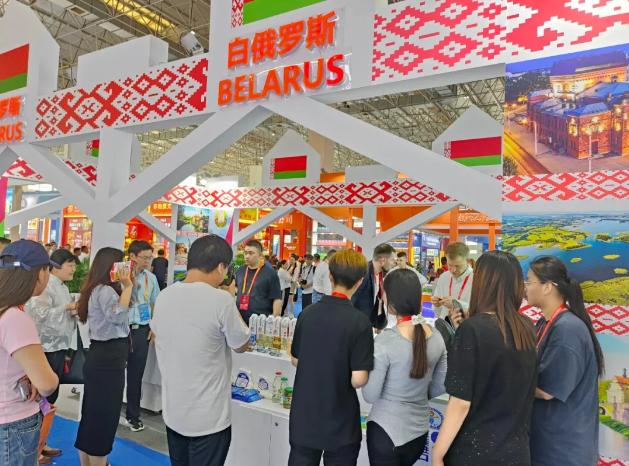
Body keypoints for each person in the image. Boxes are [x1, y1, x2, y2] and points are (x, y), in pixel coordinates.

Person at [151, 235, 250, 466]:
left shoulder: (165, 296)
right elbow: (241, 344)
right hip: (209, 418)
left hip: (174, 411)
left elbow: (157, 336)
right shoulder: (221, 300)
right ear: (221, 267)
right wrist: (231, 297)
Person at [432, 251, 537, 466]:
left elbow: (460, 403)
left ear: (483, 283)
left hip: (476, 451)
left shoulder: (474, 329)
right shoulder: (526, 326)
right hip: (517, 450)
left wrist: (438, 452)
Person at [289, 249, 374, 466]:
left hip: (305, 414)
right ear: (360, 281)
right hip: (340, 419)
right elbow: (359, 379)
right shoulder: (360, 322)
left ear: (330, 275)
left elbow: (296, 359)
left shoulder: (307, 314)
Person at [363, 269, 447, 466]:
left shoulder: (385, 341)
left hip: (386, 431)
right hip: (419, 432)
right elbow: (440, 386)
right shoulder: (436, 336)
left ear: (391, 300)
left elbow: (370, 395)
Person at [526, 256, 603, 466]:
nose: (525, 287)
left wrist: (504, 382)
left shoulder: (567, 329)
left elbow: (546, 389)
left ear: (547, 287)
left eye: (529, 281)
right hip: (548, 443)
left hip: (562, 451)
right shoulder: (545, 322)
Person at [0, 240, 59, 466]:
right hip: (12, 423)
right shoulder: (14, 318)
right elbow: (47, 384)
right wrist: (38, 376)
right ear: (39, 273)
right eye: (47, 269)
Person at [75, 248, 134, 466]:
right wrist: (128, 287)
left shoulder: (94, 288)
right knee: (104, 417)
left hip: (100, 357)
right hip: (108, 360)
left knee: (92, 414)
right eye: (121, 264)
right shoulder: (106, 291)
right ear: (111, 267)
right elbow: (117, 316)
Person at [26, 249, 79, 461]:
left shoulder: (63, 287)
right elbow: (39, 315)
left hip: (58, 347)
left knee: (50, 398)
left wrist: (72, 310)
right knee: (41, 397)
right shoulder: (46, 286)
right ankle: (34, 447)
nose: (73, 269)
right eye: (70, 265)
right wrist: (67, 308)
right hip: (46, 348)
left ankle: (40, 442)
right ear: (55, 267)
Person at [124, 240, 160, 433]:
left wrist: (154, 326)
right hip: (122, 330)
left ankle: (133, 416)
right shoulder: (121, 275)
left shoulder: (151, 278)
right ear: (132, 256)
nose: (147, 261)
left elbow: (155, 303)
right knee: (115, 374)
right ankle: (111, 412)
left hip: (142, 331)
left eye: (149, 258)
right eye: (144, 257)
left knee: (136, 376)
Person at [235, 239, 282, 324]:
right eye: (245, 253)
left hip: (261, 322)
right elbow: (236, 289)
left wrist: (273, 321)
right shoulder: (240, 270)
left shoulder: (270, 273)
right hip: (240, 321)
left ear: (260, 255)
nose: (247, 256)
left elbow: (277, 299)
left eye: (251, 253)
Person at [351, 243, 396, 328]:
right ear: (382, 260)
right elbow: (351, 301)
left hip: (367, 324)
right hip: (357, 325)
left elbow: (376, 300)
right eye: (392, 260)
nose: (394, 263)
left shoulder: (379, 274)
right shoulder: (364, 274)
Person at [431, 242, 473, 324]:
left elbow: (480, 311)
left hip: (466, 327)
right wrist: (437, 305)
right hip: (445, 326)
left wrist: (456, 304)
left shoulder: (477, 279)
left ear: (467, 261)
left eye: (457, 266)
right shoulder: (444, 277)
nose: (453, 270)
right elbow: (438, 312)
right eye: (450, 265)